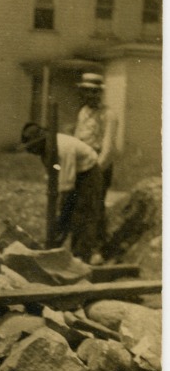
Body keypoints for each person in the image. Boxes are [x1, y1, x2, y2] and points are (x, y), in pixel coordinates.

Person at [20, 122, 103, 263]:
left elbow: (67, 183)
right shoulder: (45, 152)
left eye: (32, 147)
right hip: (73, 173)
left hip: (88, 172)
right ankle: (53, 249)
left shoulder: (63, 148)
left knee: (81, 213)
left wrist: (60, 204)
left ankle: (82, 256)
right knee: (64, 215)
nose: (31, 152)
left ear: (41, 141)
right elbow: (55, 173)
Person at [74, 72, 118, 249]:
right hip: (81, 164)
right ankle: (78, 247)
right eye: (86, 91)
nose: (90, 95)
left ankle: (97, 247)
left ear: (100, 93)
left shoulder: (109, 115)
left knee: (96, 204)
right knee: (78, 204)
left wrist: (96, 171)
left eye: (94, 92)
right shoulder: (83, 112)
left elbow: (108, 147)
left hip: (99, 165)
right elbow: (77, 140)